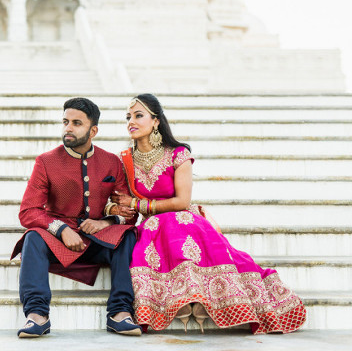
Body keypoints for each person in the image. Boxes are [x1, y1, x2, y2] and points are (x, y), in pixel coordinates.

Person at [109, 93, 306, 334]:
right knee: (153, 231)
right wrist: (115, 208)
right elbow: (120, 201)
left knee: (178, 224)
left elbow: (182, 201)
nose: (131, 121)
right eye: (128, 116)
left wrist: (140, 205)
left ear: (156, 121)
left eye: (139, 115)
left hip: (183, 218)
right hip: (151, 227)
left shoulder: (178, 153)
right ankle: (185, 299)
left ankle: (197, 297)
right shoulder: (124, 160)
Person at [10, 97, 141, 338]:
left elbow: (129, 213)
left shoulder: (111, 161)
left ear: (93, 131)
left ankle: (120, 312)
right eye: (65, 122)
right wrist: (60, 229)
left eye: (76, 123)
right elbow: (28, 211)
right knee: (32, 238)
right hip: (60, 239)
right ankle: (37, 315)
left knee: (128, 236)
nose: (68, 128)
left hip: (98, 237)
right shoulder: (46, 161)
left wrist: (106, 221)